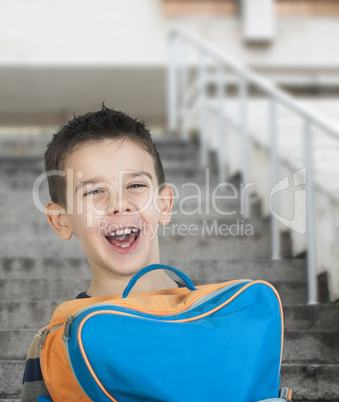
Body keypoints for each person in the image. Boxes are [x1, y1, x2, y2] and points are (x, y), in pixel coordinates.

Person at [21, 104, 179, 401]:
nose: (119, 203)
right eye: (94, 191)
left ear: (165, 205)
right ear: (61, 220)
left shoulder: (220, 314)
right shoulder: (54, 343)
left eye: (135, 184)